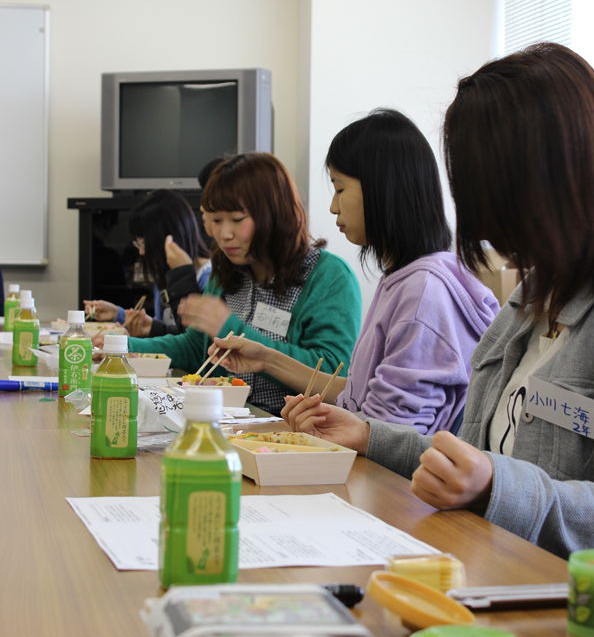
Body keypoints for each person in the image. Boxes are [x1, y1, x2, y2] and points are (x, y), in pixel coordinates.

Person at [283, 44, 594, 559]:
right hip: (490, 573)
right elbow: (472, 461)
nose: (485, 223)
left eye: (490, 194)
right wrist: (369, 436)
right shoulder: (533, 296)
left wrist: (498, 486)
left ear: (552, 176)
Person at [214, 110, 498, 433]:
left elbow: (386, 437)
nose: (334, 206)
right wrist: (266, 359)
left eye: (339, 188)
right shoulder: (403, 278)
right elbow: (358, 396)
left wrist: (318, 429)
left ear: (381, 188)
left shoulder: (422, 291)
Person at [123, 152, 361, 414]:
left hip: (288, 434)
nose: (224, 234)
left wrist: (230, 327)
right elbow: (196, 348)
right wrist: (121, 346)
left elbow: (330, 376)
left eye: (237, 219)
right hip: (223, 419)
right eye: (215, 220)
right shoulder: (227, 268)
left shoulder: (328, 277)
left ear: (274, 213)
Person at [85, 189, 211, 337]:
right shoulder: (165, 275)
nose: (141, 252)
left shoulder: (207, 278)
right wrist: (118, 314)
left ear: (170, 238)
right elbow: (167, 331)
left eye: (144, 243)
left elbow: (194, 343)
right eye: (139, 244)